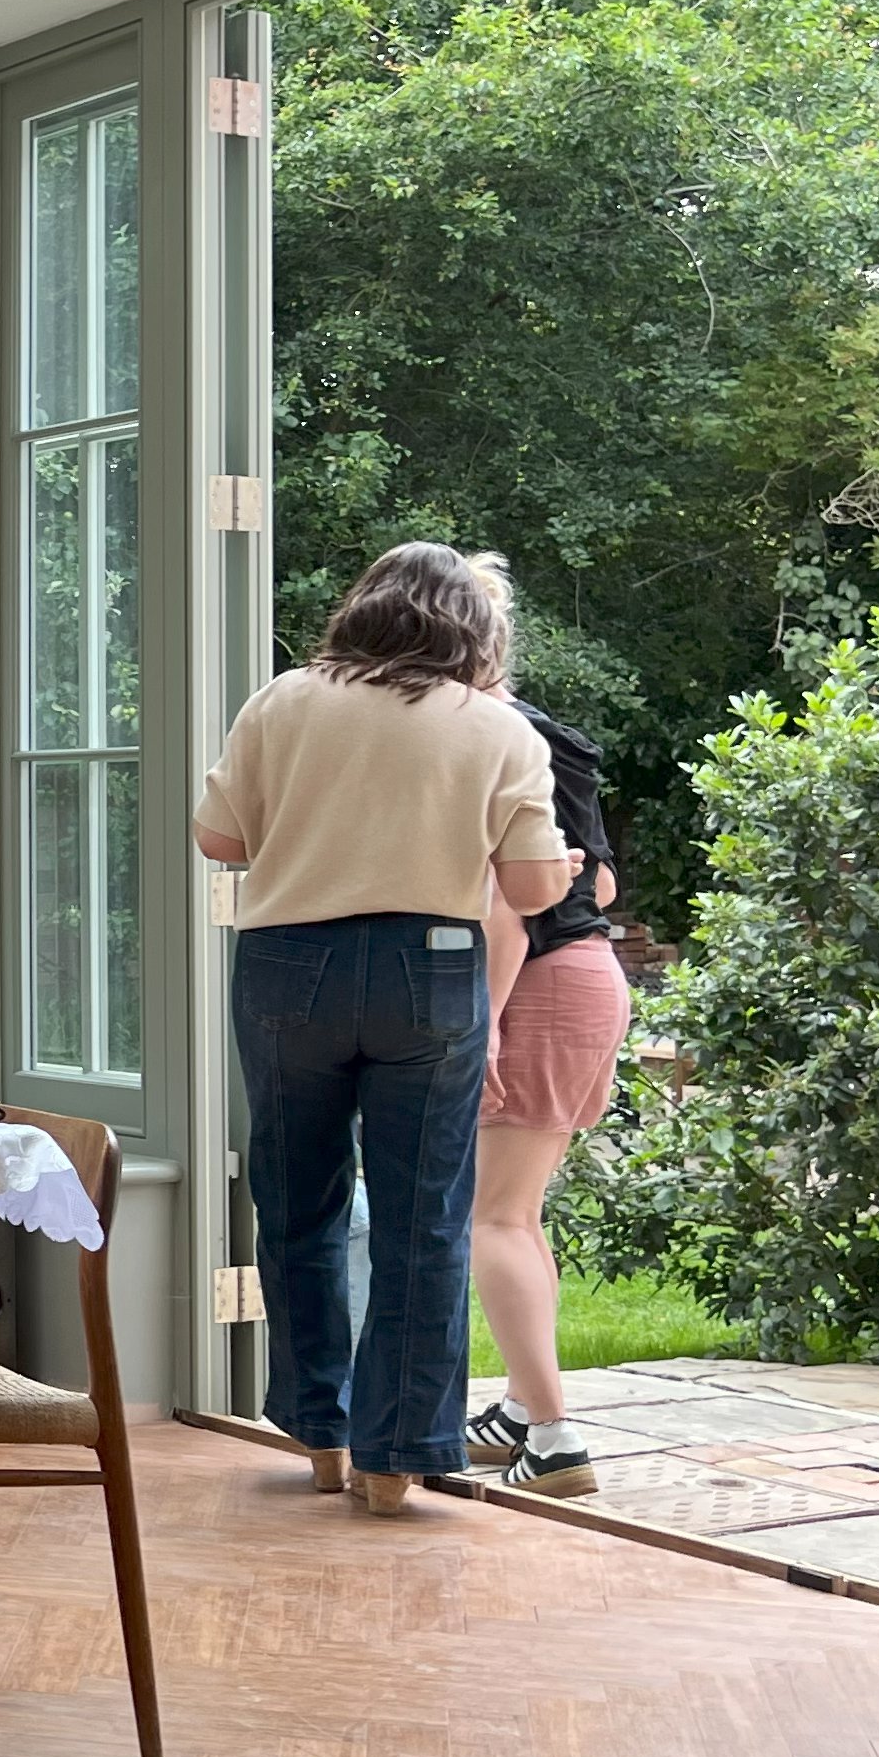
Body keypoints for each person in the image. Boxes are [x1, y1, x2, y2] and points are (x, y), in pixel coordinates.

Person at [193, 542, 574, 1513]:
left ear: (363, 607)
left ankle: (319, 1430)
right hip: (428, 967)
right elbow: (533, 890)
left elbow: (219, 838)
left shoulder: (283, 700)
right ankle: (394, 1458)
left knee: (298, 1201)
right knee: (423, 1216)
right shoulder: (494, 727)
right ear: (472, 629)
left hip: (288, 964)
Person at [458, 557, 632, 1499]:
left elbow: (508, 910)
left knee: (492, 1217)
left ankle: (557, 1440)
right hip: (591, 980)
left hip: (537, 988)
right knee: (517, 1213)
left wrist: (484, 1025)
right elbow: (599, 882)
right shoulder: (546, 735)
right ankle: (525, 1410)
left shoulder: (488, 739)